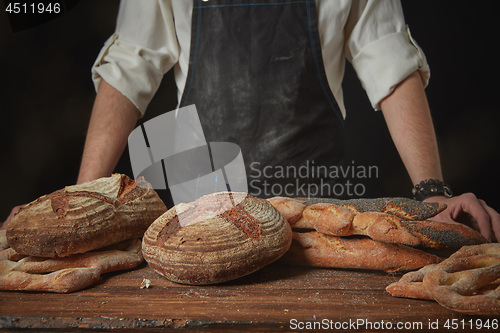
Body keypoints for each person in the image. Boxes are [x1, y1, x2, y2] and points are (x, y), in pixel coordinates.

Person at [3, 0, 499, 242]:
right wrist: (82, 200)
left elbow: (388, 59)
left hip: (318, 226)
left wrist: (432, 191)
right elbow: (129, 69)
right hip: (202, 231)